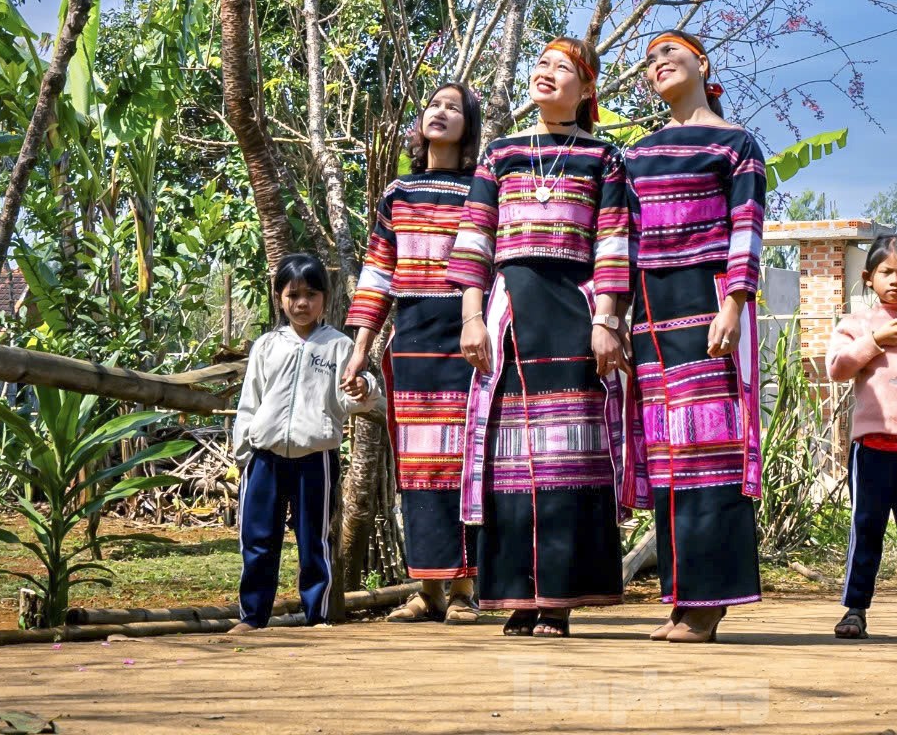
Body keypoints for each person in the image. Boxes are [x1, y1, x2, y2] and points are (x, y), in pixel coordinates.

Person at [448, 37, 631, 638]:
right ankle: (517, 598)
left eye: (563, 68)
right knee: (508, 462)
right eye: (542, 64)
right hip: (510, 313)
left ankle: (557, 599)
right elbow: (475, 241)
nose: (547, 74)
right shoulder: (499, 154)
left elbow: (611, 245)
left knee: (568, 459)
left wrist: (607, 321)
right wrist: (473, 317)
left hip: (574, 313)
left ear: (586, 90)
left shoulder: (603, 157)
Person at [624, 29, 766, 643]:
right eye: (650, 58)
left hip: (709, 302)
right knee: (669, 457)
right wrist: (616, 315)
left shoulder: (737, 145)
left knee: (712, 453)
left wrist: (733, 304)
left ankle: (709, 603)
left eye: (670, 52)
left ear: (702, 63)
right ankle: (682, 597)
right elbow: (620, 242)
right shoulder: (635, 155)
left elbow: (747, 228)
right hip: (650, 314)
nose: (659, 63)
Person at [345, 81, 484, 625]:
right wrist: (361, 349)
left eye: (453, 108)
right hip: (412, 342)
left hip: (469, 341)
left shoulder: (482, 189)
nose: (440, 113)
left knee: (466, 462)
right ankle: (428, 589)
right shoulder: (398, 192)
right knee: (419, 466)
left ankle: (468, 591)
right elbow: (377, 273)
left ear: (468, 126)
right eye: (434, 105)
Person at [825, 230, 897, 643]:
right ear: (869, 278)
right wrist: (873, 342)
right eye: (886, 272)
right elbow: (837, 369)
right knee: (866, 528)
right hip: (870, 447)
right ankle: (855, 610)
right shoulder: (856, 324)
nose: (895, 280)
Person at [231, 250, 354, 631]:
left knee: (313, 541)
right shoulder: (267, 346)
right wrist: (244, 453)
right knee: (257, 539)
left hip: (314, 458)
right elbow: (249, 401)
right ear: (279, 298)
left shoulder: (338, 347)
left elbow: (349, 398)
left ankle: (317, 616)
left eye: (311, 295)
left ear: (325, 299)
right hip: (264, 457)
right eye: (293, 295)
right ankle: (253, 617)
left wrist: (364, 389)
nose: (302, 303)